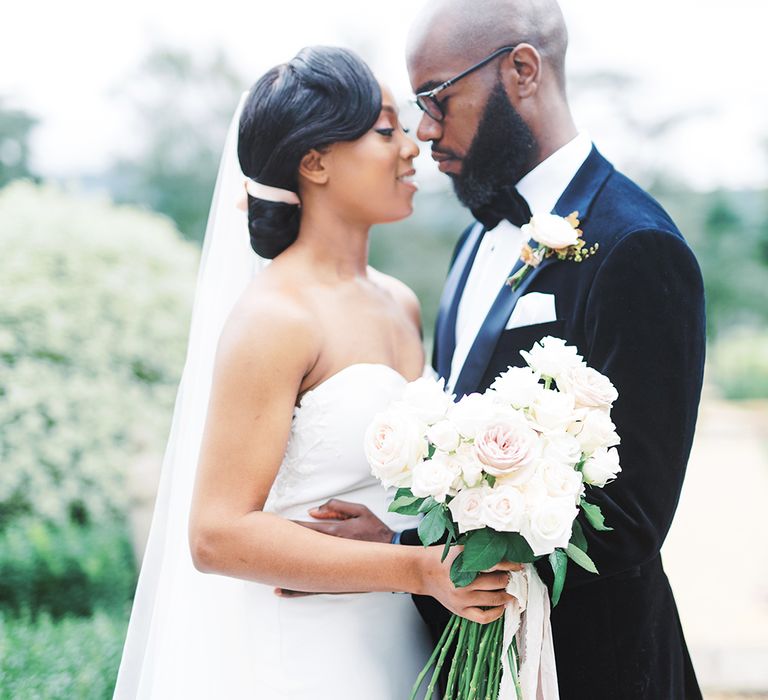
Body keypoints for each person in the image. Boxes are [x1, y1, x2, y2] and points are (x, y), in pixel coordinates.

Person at [299, 3, 706, 698]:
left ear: (521, 70)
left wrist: (407, 556)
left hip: (595, 672)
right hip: (469, 664)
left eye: (437, 98)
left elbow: (629, 525)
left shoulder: (638, 247)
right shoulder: (475, 239)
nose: (424, 129)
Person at [113, 46, 520, 700]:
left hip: (402, 642)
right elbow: (217, 535)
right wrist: (416, 566)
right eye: (386, 129)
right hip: (304, 655)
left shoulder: (399, 302)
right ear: (315, 162)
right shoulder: (275, 317)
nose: (412, 146)